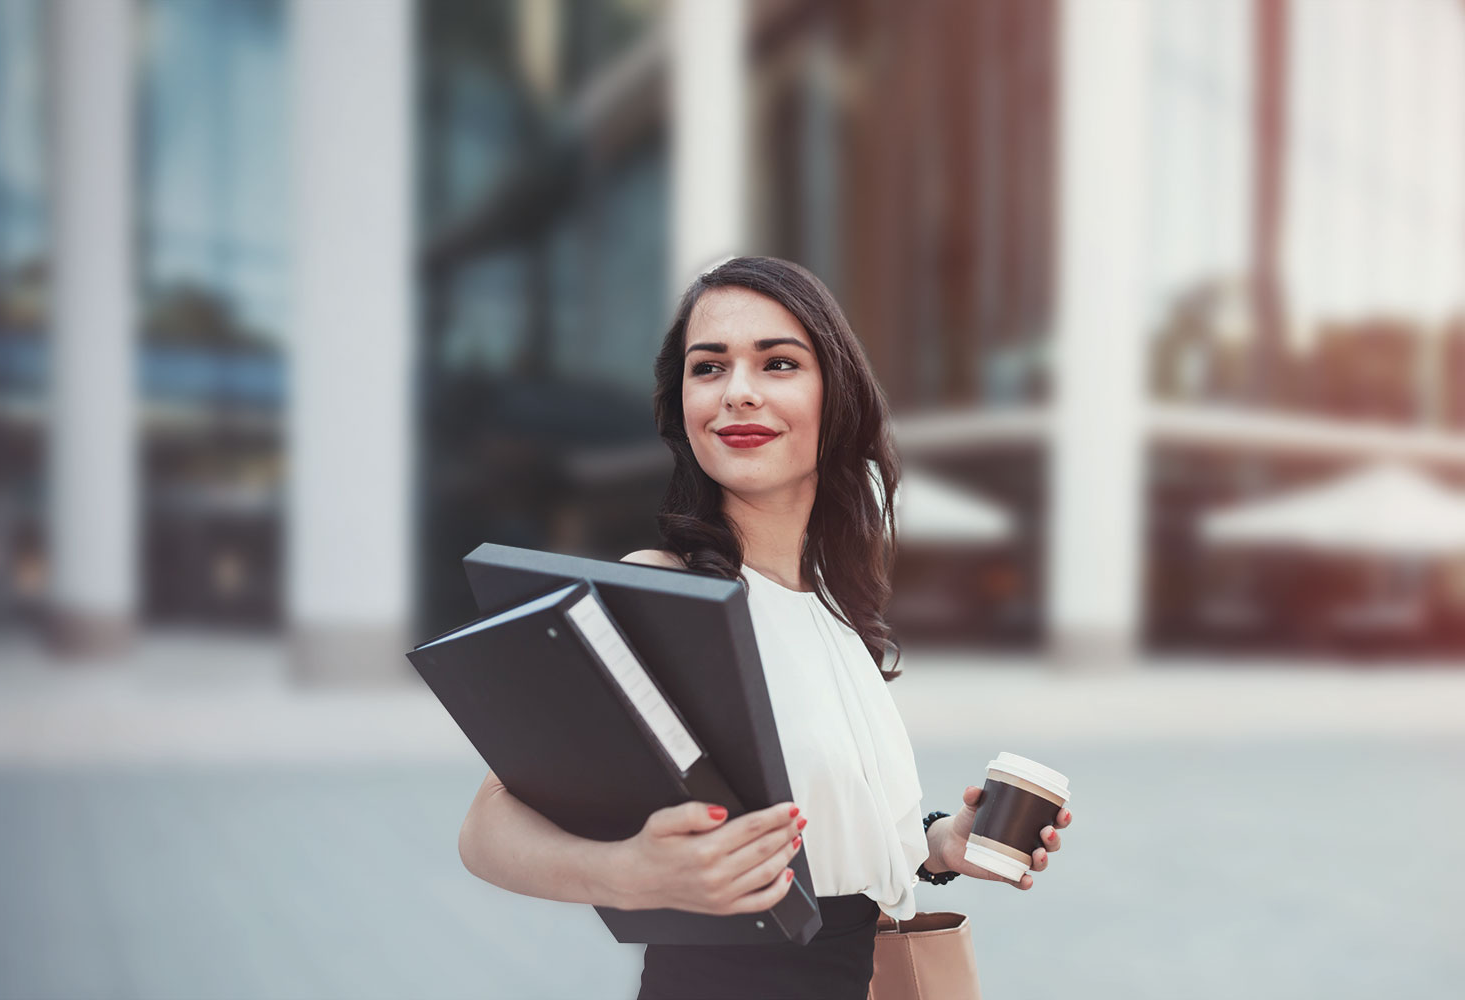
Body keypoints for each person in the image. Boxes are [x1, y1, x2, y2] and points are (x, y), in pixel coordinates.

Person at [455, 257, 1074, 999]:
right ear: (681, 404)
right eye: (708, 367)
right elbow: (487, 825)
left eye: (778, 363)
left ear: (834, 396)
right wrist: (629, 873)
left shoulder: (837, 606)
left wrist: (943, 845)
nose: (738, 393)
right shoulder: (665, 586)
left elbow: (832, 842)